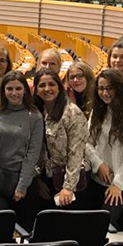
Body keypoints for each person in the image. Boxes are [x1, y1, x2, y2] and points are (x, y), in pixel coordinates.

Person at [0, 71, 44, 228]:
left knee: (25, 231)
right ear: (3, 91)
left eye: (18, 89)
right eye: (9, 89)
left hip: (25, 183)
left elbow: (33, 154)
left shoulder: (34, 116)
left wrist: (22, 186)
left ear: (25, 91)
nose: (14, 93)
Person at [84, 69, 123, 230]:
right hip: (98, 179)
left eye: (110, 88)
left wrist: (118, 185)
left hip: (121, 185)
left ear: (119, 88)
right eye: (101, 88)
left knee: (105, 227)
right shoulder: (98, 111)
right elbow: (86, 142)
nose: (105, 93)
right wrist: (99, 164)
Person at [33, 69, 88, 208]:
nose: (47, 89)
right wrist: (37, 179)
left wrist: (68, 188)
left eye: (51, 84)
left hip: (68, 183)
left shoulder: (72, 113)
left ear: (59, 87)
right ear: (36, 90)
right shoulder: (38, 111)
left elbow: (76, 153)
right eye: (42, 85)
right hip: (46, 179)